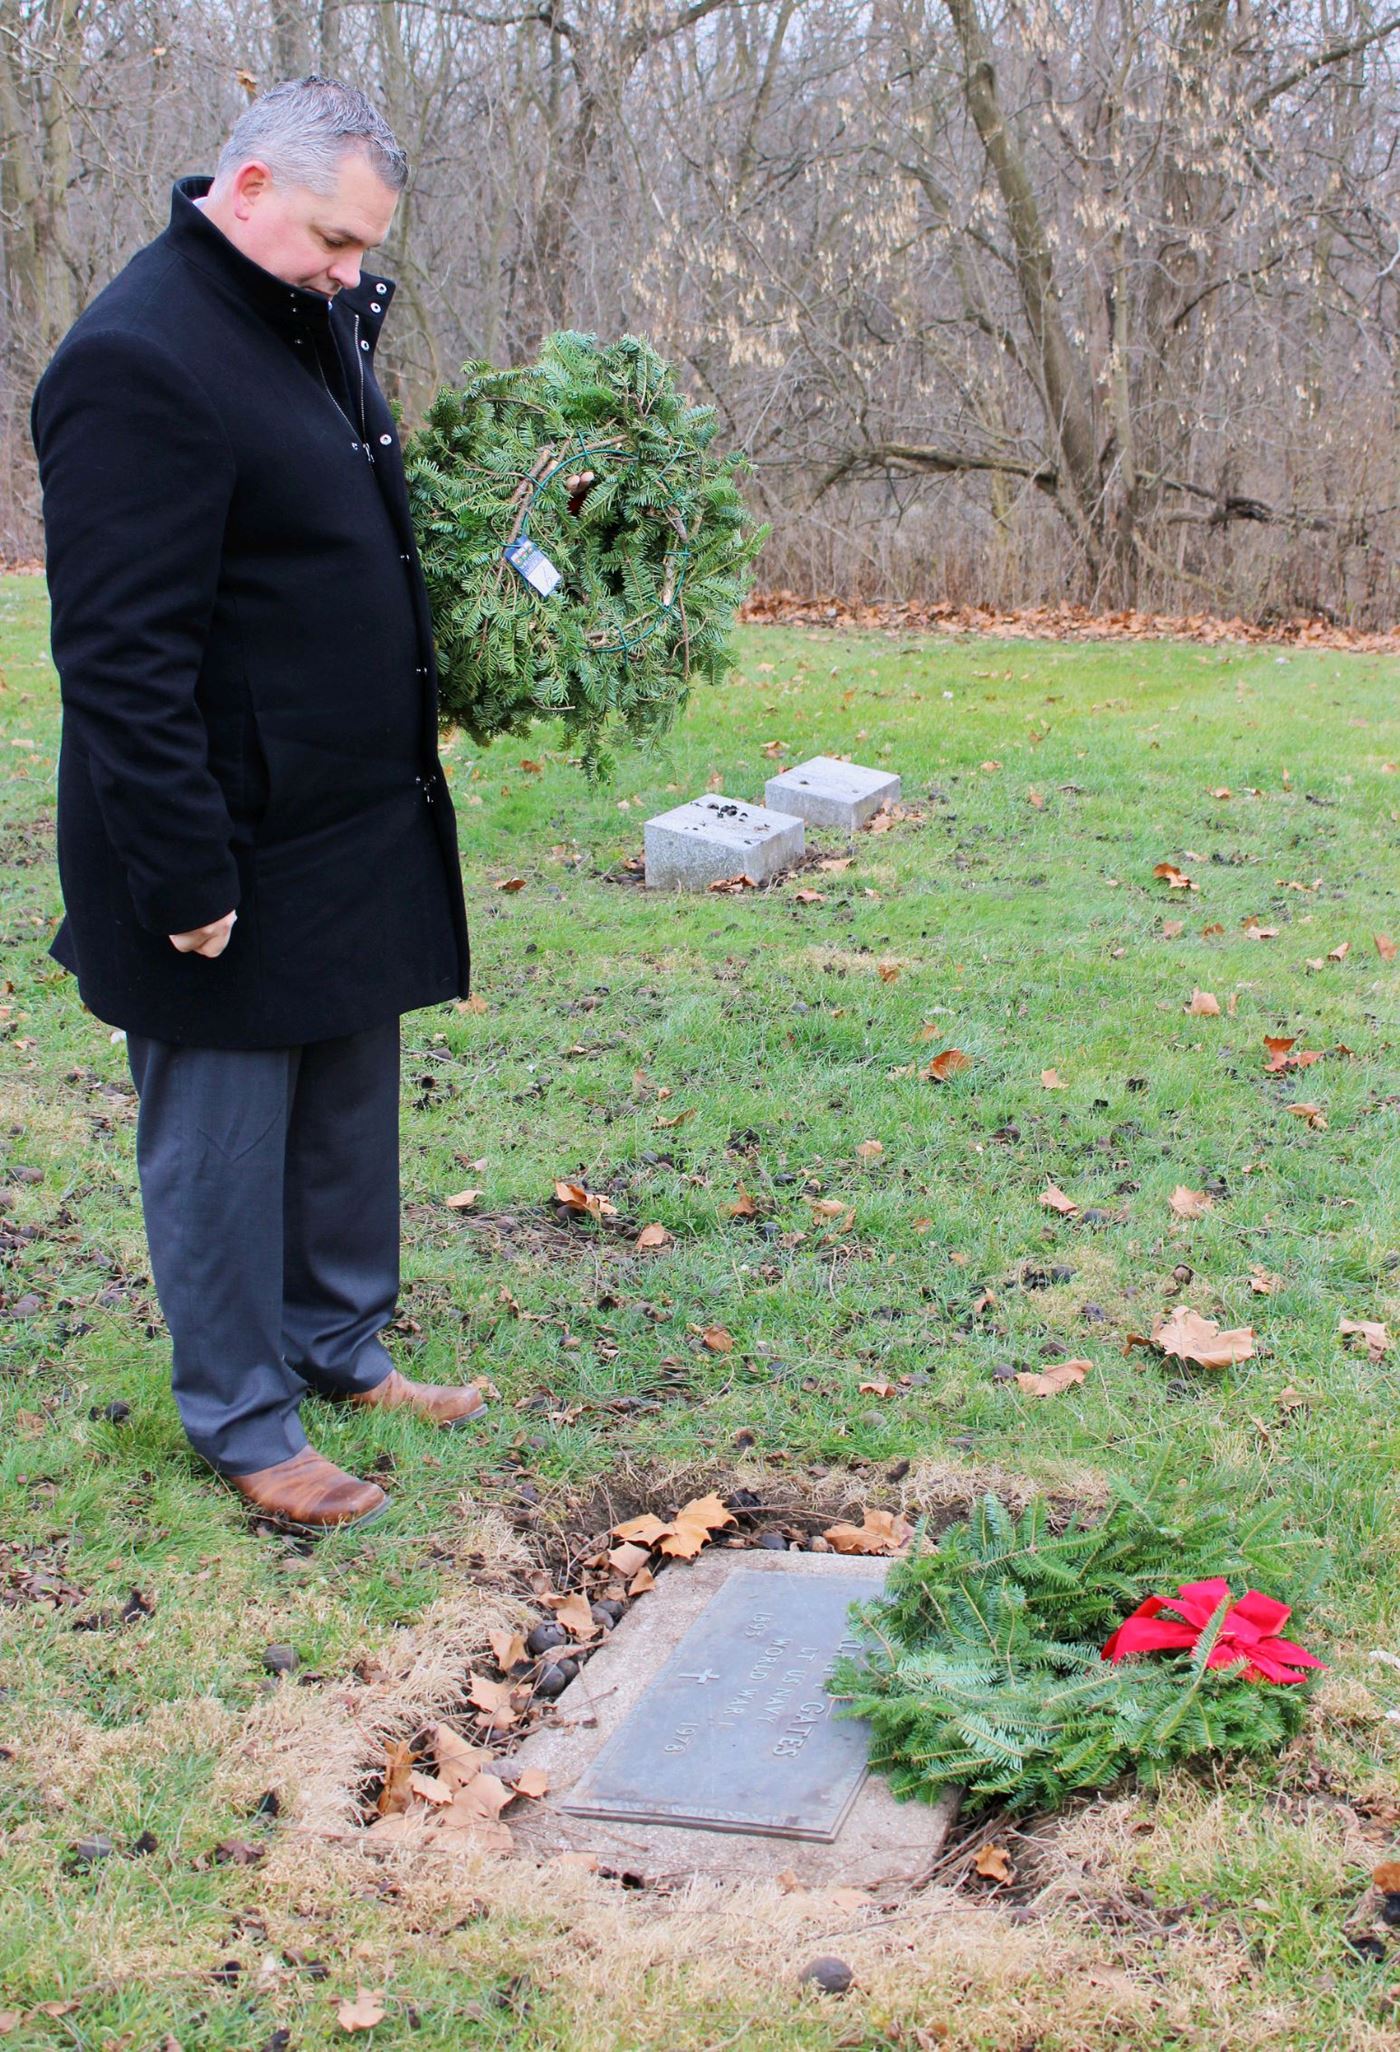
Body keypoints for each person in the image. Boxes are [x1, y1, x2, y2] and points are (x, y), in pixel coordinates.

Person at [31, 76, 487, 1534]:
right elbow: (116, 654)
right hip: (220, 832)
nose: (356, 271)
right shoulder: (137, 360)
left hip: (344, 816)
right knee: (224, 1143)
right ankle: (241, 1413)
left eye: (366, 245)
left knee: (349, 1107)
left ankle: (337, 1344)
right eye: (334, 239)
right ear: (244, 188)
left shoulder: (303, 320)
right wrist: (184, 875)